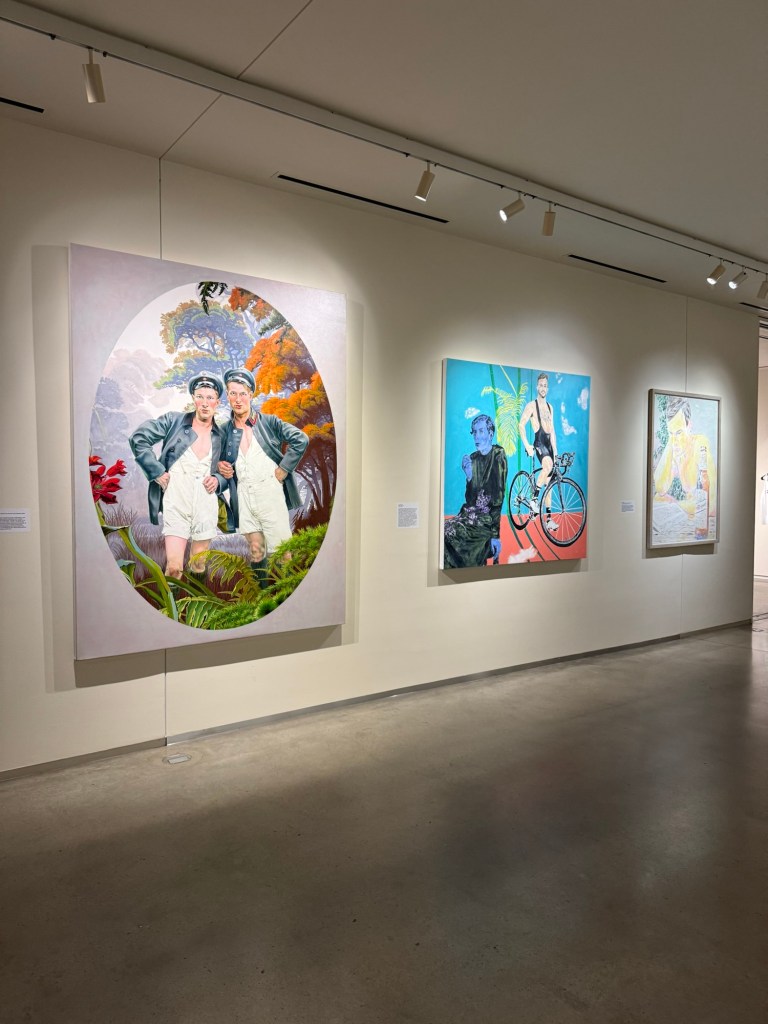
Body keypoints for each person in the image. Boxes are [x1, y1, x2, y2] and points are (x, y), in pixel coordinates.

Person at [217, 367, 309, 588]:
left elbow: (301, 439)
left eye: (242, 393)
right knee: (256, 550)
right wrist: (221, 467)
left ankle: (287, 595)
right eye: (232, 393)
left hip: (269, 492)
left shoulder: (269, 423)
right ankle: (262, 598)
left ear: (251, 394)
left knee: (283, 551)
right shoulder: (224, 430)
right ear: (227, 395)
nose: (238, 399)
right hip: (243, 495)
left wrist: (284, 468)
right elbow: (217, 462)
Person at [129, 373, 225, 579]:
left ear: (217, 402)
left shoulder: (222, 435)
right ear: (193, 398)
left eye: (210, 398)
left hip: (205, 503)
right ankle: (173, 600)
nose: (205, 403)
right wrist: (156, 471)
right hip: (176, 500)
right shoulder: (173, 421)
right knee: (174, 568)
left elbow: (231, 469)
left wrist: (219, 479)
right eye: (200, 397)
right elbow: (139, 438)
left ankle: (196, 600)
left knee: (199, 565)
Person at [443, 413, 508, 568]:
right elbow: (470, 499)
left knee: (452, 536)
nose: (476, 437)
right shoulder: (473, 458)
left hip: (486, 521)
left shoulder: (498, 455)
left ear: (490, 434)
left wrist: (495, 535)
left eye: (481, 431)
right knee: (444, 532)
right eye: (474, 432)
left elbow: (498, 498)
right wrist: (469, 477)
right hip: (468, 515)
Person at [653, 395, 717, 519]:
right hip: (689, 513)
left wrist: (676, 504)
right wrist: (671, 441)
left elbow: (711, 503)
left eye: (679, 432)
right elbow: (660, 488)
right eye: (670, 433)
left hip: (703, 517)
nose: (675, 441)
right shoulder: (675, 448)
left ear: (689, 426)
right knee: (657, 498)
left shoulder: (700, 444)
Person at [519, 371, 558, 531]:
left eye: (545, 386)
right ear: (537, 387)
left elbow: (552, 430)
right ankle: (534, 500)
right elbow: (521, 424)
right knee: (547, 467)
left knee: (549, 483)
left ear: (547, 388)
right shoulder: (531, 406)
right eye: (541, 385)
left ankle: (549, 519)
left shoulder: (550, 407)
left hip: (549, 445)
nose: (543, 388)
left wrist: (556, 451)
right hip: (539, 442)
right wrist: (527, 445)